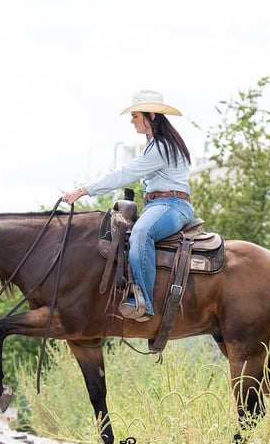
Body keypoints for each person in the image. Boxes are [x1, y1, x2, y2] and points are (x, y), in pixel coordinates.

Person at [62, 90, 193, 322]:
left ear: (151, 115)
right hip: (158, 204)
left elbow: (125, 174)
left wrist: (83, 190)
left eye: (135, 115)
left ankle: (143, 302)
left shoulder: (161, 147)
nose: (131, 121)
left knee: (142, 233)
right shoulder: (154, 144)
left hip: (173, 204)